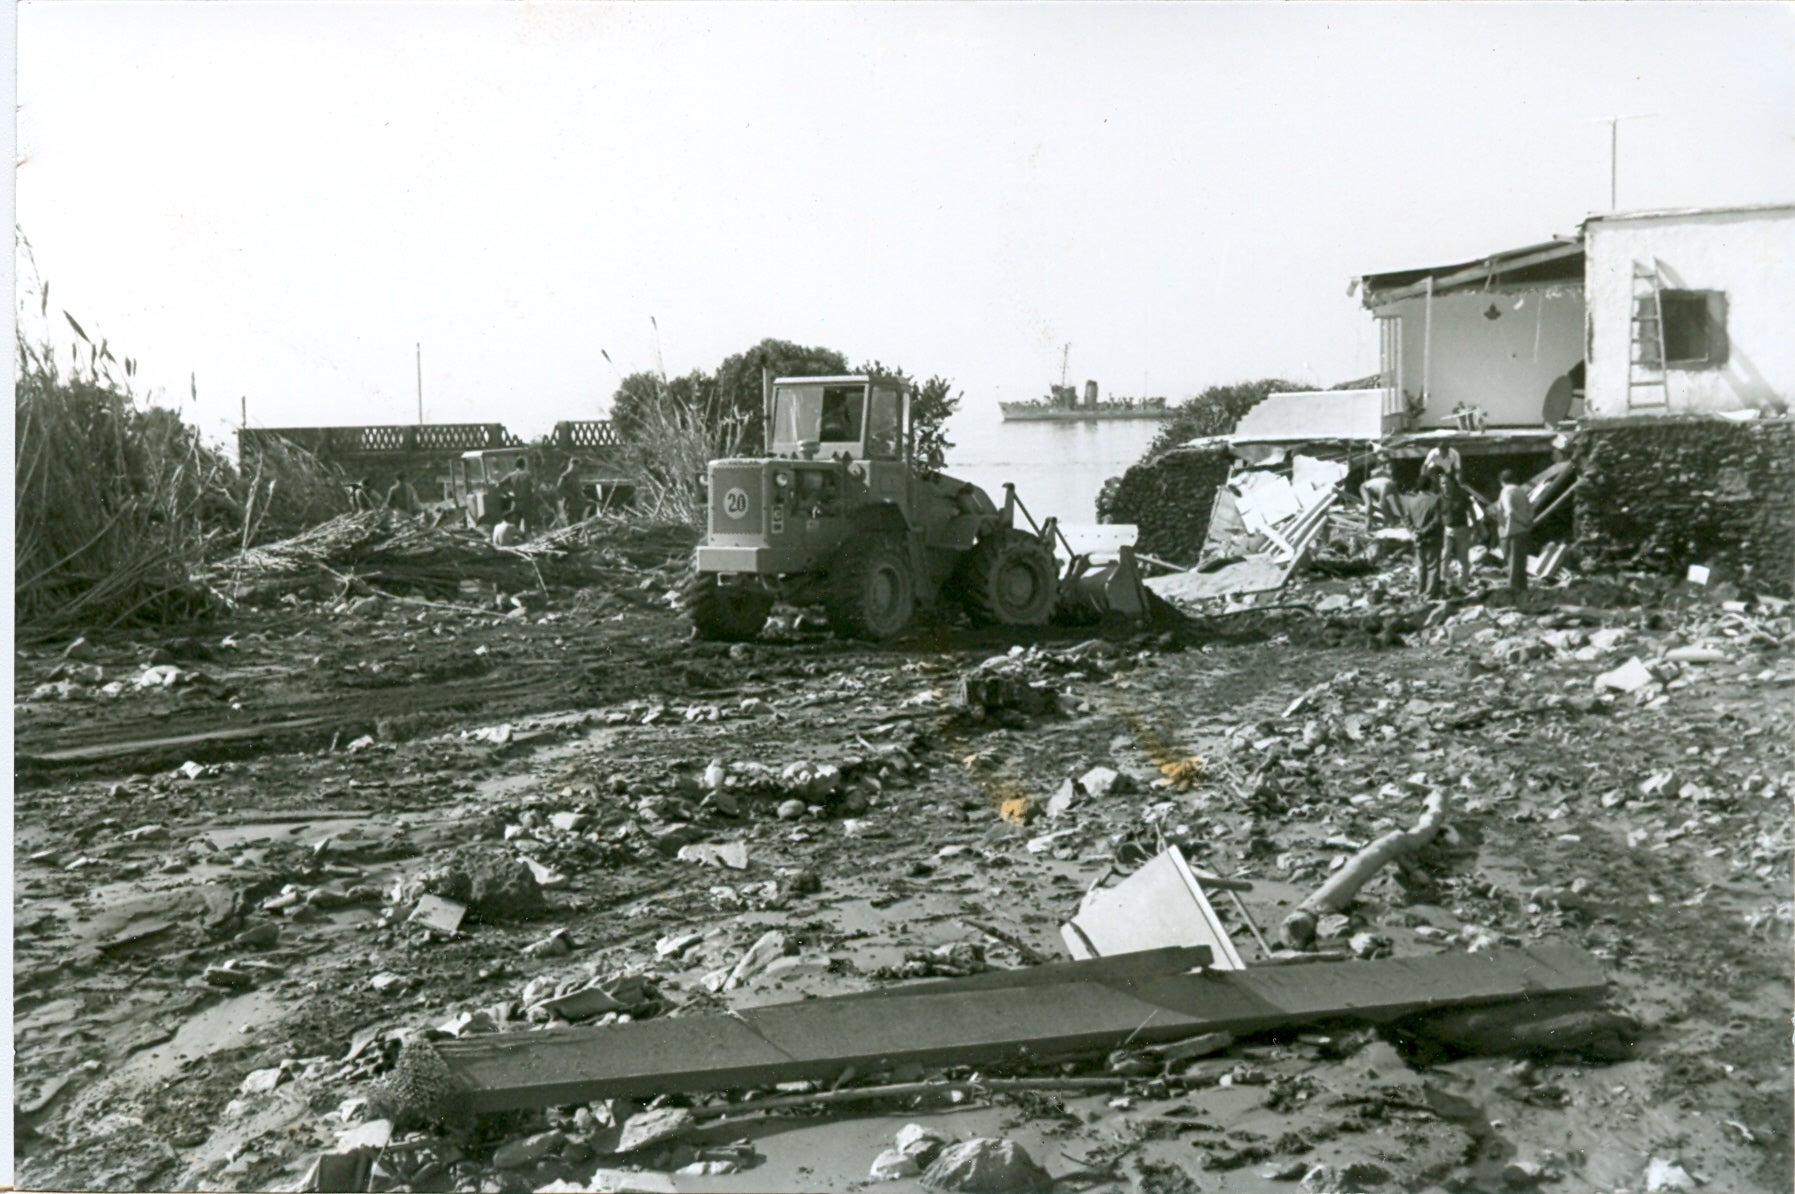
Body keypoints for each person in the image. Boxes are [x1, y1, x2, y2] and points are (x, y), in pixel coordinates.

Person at [1400, 478, 1445, 600]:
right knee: (1433, 567)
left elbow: (1406, 519)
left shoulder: (1410, 501)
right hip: (1432, 538)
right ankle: (1430, 595)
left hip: (1417, 539)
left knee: (1421, 566)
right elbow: (1436, 521)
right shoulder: (1435, 500)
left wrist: (1413, 532)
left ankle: (1420, 592)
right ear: (1430, 485)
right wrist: (1423, 532)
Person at [1497, 468, 1534, 598]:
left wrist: (1522, 521)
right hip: (1523, 531)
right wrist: (1528, 522)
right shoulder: (1521, 491)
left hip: (1511, 530)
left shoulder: (1506, 491)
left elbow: (1510, 511)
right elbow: (1531, 509)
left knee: (1512, 563)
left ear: (1501, 481)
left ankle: (1513, 593)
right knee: (1521, 563)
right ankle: (1523, 590)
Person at [1438, 470, 1478, 592]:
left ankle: (1463, 584)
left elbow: (1471, 511)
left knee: (1463, 558)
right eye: (1442, 483)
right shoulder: (1440, 498)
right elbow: (1438, 514)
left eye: (1447, 483)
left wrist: (1475, 528)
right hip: (1447, 530)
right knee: (1445, 555)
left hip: (1462, 529)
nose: (1445, 486)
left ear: (1453, 483)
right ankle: (1444, 582)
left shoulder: (1461, 495)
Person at [498, 457, 538, 534]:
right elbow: (535, 487)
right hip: (526, 503)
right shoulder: (528, 475)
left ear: (515, 465)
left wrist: (508, 495)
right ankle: (528, 542)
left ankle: (516, 541)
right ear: (524, 465)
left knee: (515, 527)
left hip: (516, 503)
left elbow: (499, 485)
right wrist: (532, 495)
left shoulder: (511, 475)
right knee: (528, 528)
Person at [1360, 463, 1400, 530]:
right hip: (1364, 487)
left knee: (1387, 505)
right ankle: (1367, 525)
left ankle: (1388, 523)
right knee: (1369, 504)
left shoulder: (1394, 487)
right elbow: (1381, 503)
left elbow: (1398, 502)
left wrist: (1401, 514)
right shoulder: (1386, 486)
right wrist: (1389, 518)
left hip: (1374, 488)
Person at [555, 458, 589, 527]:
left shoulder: (576, 476)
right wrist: (570, 496)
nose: (576, 468)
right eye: (575, 465)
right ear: (571, 465)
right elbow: (559, 489)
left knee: (580, 524)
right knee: (571, 524)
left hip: (579, 504)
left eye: (577, 466)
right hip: (571, 505)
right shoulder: (565, 476)